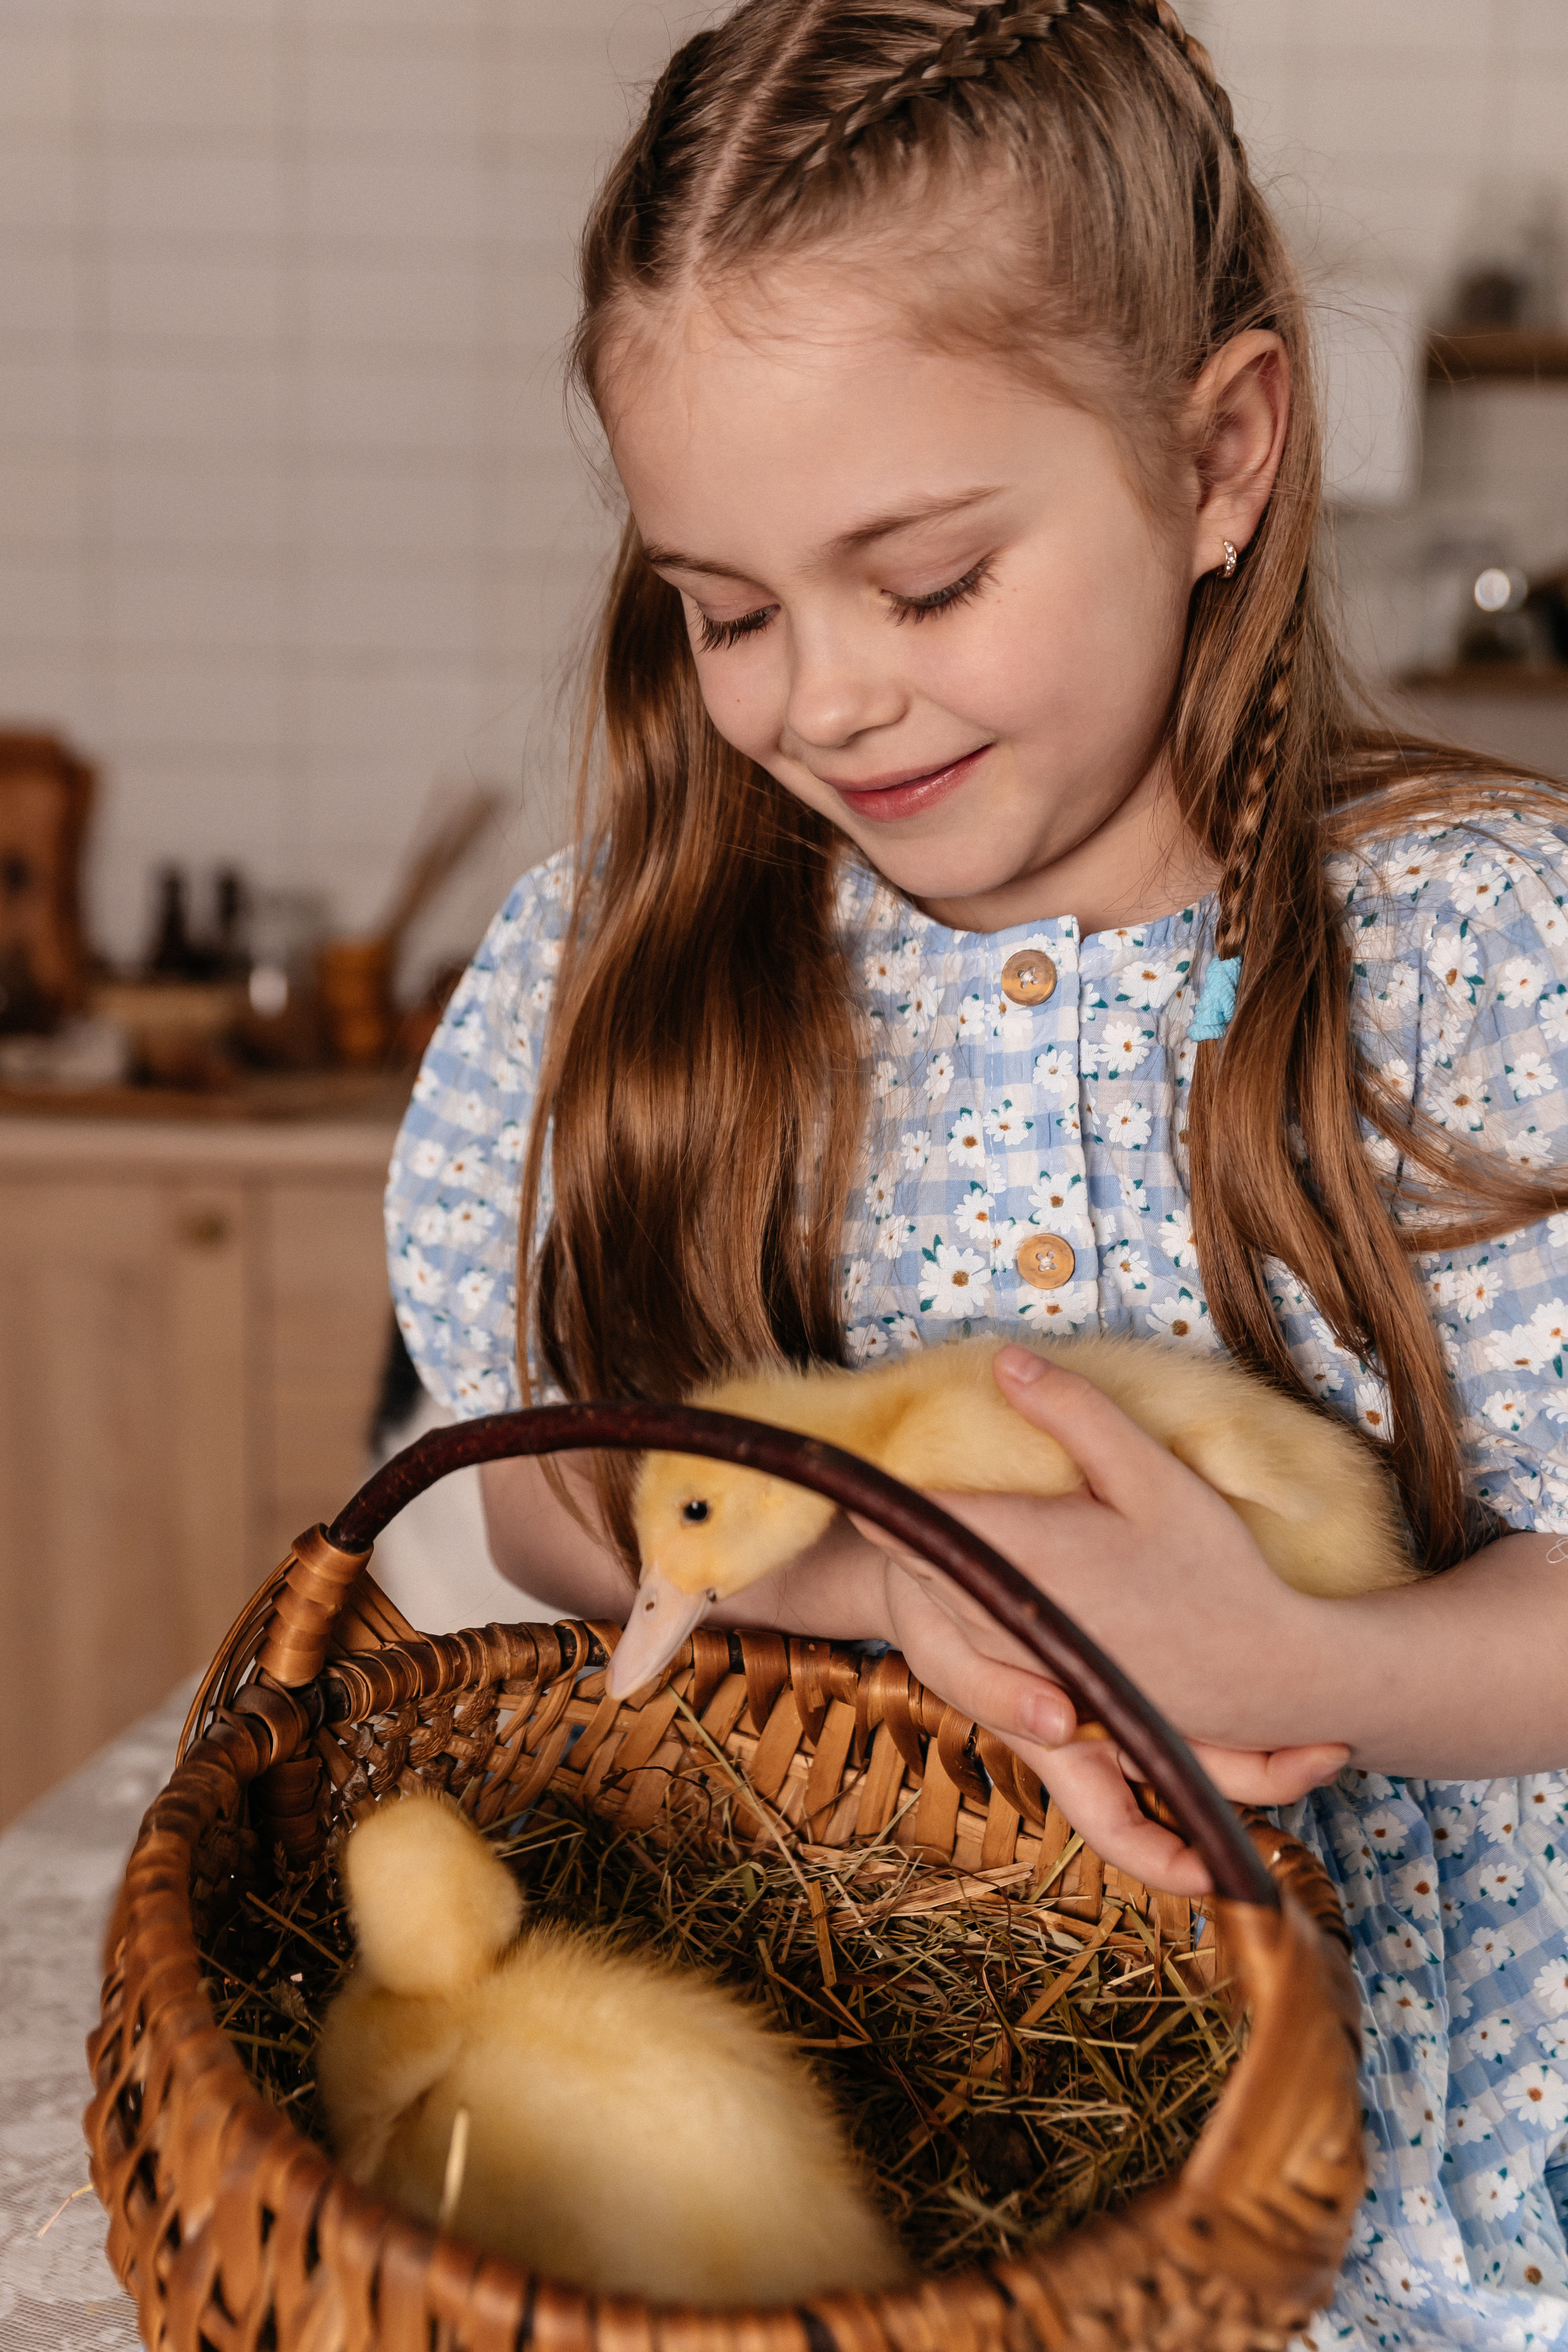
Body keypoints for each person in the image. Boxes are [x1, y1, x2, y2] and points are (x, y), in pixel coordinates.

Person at [386, 2, 1568, 2336]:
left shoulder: (1480, 962)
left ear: (1222, 453)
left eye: (921, 584)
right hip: (921, 2201)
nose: (820, 697)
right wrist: (889, 1587)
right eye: (725, 609)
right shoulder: (620, 970)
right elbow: (527, 1486)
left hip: (1456, 2216)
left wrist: (1313, 1659)